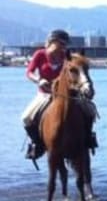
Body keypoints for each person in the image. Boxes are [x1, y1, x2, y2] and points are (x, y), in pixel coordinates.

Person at [22, 29, 97, 159]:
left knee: (90, 111)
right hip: (45, 94)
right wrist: (39, 80)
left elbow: (76, 72)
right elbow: (29, 72)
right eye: (61, 43)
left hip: (65, 95)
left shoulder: (66, 56)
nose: (64, 46)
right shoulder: (40, 54)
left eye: (65, 44)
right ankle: (37, 144)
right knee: (26, 118)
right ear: (52, 42)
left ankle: (88, 138)